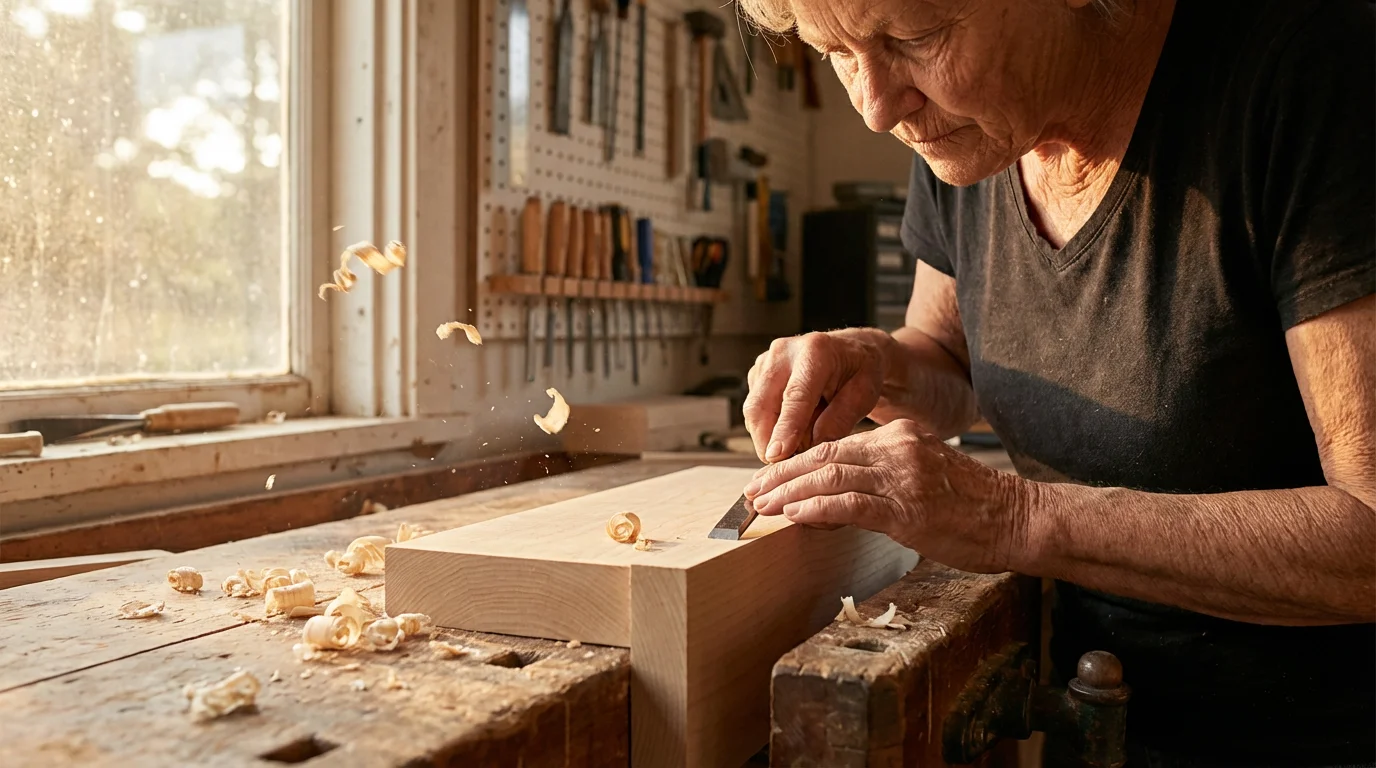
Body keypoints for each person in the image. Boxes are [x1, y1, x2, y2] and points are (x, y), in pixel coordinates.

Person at [735, 0, 1376, 764]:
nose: (877, 109)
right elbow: (951, 359)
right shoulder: (962, 124)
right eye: (834, 52)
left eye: (916, 37)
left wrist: (1012, 518)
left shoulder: (1315, 74)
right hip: (1096, 709)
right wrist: (874, 362)